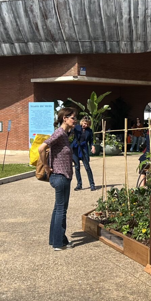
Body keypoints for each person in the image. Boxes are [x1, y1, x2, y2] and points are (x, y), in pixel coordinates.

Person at [39, 107, 77, 250]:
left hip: (63, 176)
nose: (75, 120)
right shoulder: (59, 133)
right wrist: (46, 166)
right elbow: (41, 148)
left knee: (58, 209)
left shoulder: (65, 134)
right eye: (73, 118)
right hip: (60, 176)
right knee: (61, 210)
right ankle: (58, 243)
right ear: (64, 118)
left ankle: (56, 239)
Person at [72, 116, 97, 191]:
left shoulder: (89, 131)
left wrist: (93, 146)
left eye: (87, 124)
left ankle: (92, 184)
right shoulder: (76, 127)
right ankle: (79, 185)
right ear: (82, 122)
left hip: (84, 149)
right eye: (84, 123)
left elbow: (91, 141)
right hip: (75, 148)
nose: (85, 125)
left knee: (87, 167)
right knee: (77, 167)